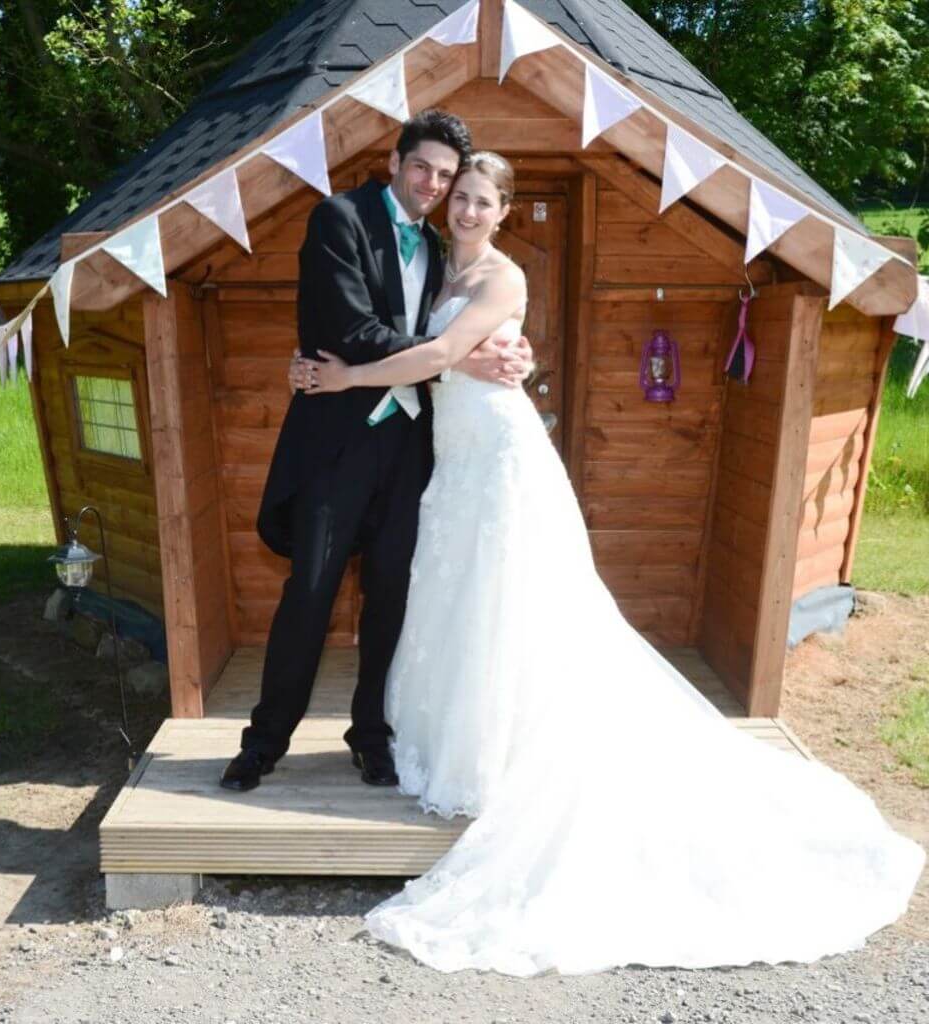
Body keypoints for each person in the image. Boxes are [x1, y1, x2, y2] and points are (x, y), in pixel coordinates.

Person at [296, 151, 926, 976]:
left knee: (512, 603)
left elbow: (435, 352)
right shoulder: (437, 264)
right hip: (452, 458)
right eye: (463, 197)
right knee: (458, 603)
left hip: (499, 453)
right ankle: (455, 743)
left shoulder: (503, 278)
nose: (470, 210)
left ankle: (510, 757)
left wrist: (350, 376)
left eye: (486, 200)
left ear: (506, 209)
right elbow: (433, 345)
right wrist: (458, 356)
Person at [219, 112, 534, 794]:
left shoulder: (444, 248)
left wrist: (487, 354)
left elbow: (469, 324)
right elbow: (350, 327)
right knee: (309, 593)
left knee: (393, 596)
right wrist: (456, 361)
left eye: (448, 177)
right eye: (423, 167)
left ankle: (372, 736)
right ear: (394, 161)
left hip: (413, 449)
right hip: (337, 443)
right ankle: (263, 744)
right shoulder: (340, 219)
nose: (435, 184)